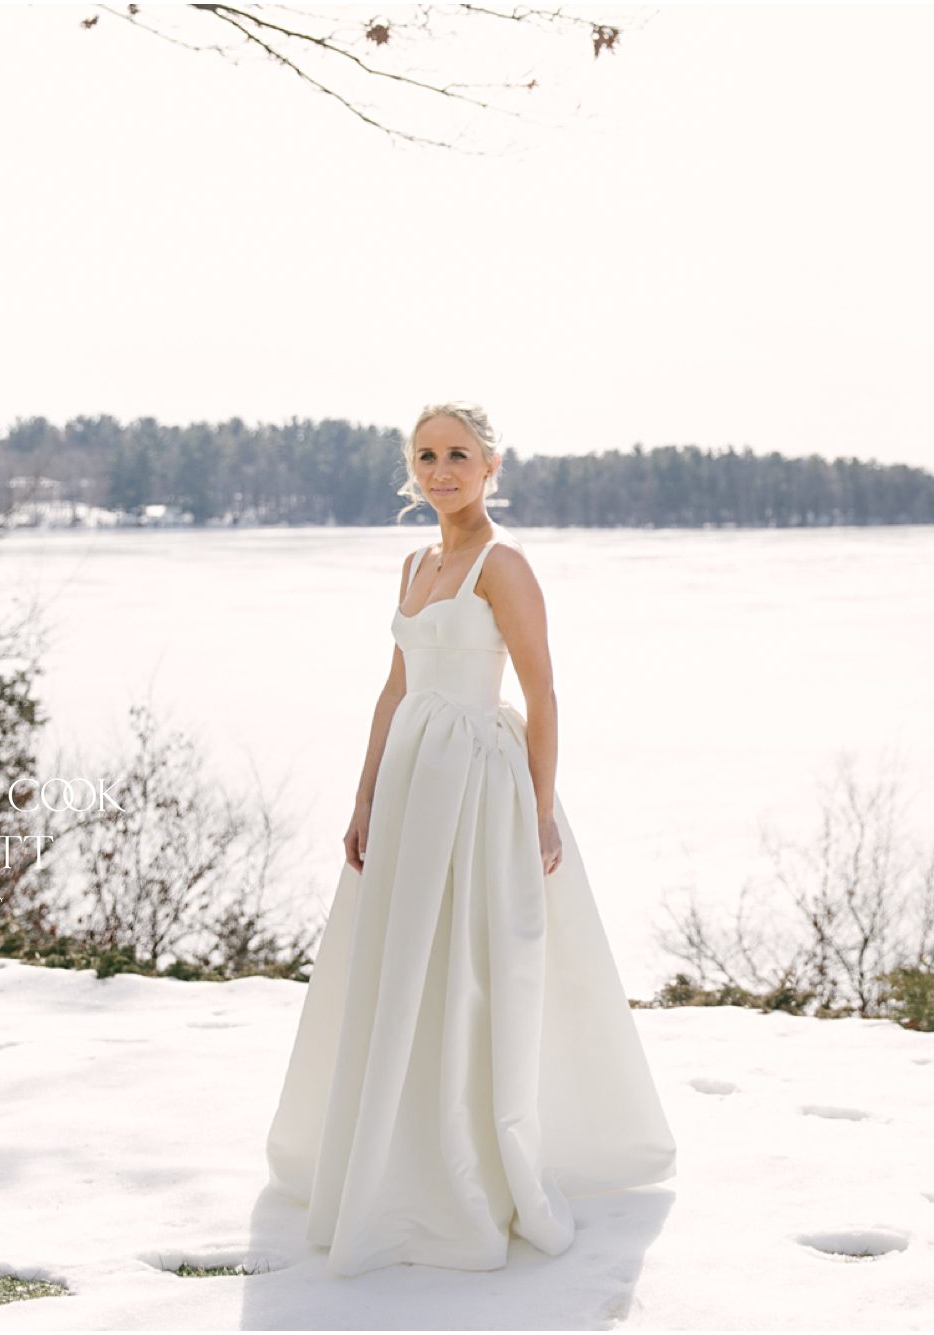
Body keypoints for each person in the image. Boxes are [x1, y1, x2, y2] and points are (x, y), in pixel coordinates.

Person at [263, 401, 677, 1276]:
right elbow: (391, 689)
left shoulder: (504, 564)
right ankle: (389, 1146)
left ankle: (470, 1161)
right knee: (402, 956)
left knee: (471, 965)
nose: (441, 470)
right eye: (426, 455)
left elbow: (545, 691)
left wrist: (540, 805)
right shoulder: (415, 561)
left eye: (458, 455)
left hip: (478, 785)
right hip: (412, 779)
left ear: (491, 466)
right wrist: (364, 794)